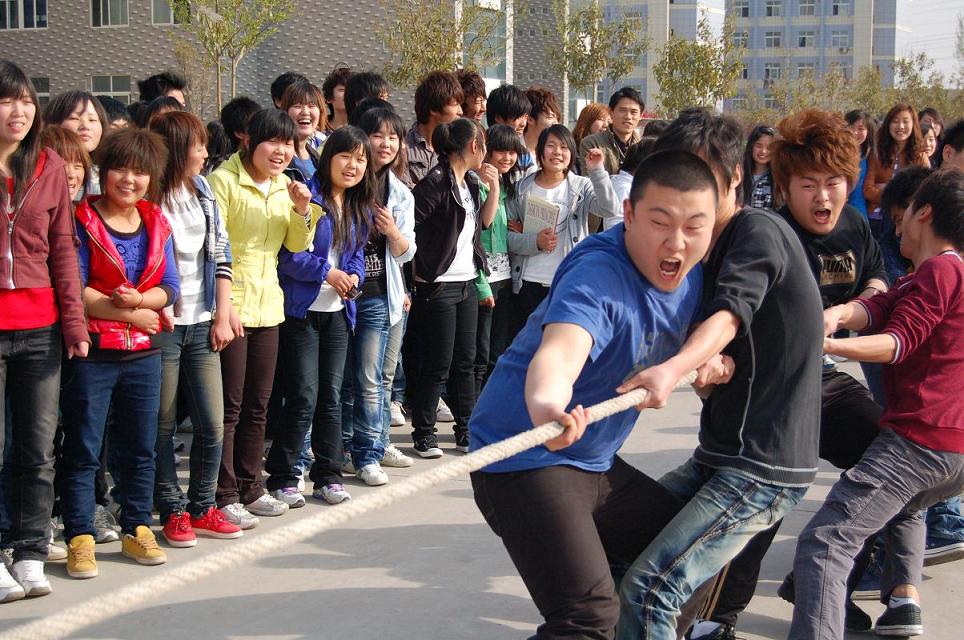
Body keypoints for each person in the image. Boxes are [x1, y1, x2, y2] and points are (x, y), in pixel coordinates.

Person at [470, 149, 720, 639]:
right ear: (628, 214)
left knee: (688, 561)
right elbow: (561, 353)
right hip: (524, 458)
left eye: (695, 227)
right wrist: (548, 406)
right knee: (587, 619)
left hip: (593, 462)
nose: (676, 243)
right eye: (660, 222)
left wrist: (704, 357)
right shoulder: (597, 276)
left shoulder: (696, 272)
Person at [615, 108, 824, 639]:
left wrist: (674, 368)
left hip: (762, 465)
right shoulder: (700, 245)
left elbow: (731, 313)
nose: (686, 196)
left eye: (700, 180)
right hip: (720, 453)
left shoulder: (757, 231)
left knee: (651, 589)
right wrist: (704, 371)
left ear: (734, 179)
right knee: (622, 543)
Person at [688, 108, 888, 640]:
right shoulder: (764, 234)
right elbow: (725, 309)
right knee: (760, 506)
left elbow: (878, 283)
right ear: (783, 187)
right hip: (766, 391)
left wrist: (843, 313)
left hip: (821, 379)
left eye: (834, 182)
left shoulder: (854, 227)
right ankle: (714, 620)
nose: (823, 197)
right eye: (808, 184)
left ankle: (820, 581)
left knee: (891, 464)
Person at [790, 167, 964, 639]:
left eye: (904, 211)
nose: (896, 222)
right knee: (899, 508)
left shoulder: (943, 269)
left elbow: (896, 341)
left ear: (923, 212)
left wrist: (825, 345)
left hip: (918, 443)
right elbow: (875, 309)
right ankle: (903, 604)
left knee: (825, 543)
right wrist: (834, 316)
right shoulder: (922, 276)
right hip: (946, 452)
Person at [61, 127, 179, 578]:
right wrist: (135, 313)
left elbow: (170, 287)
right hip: (93, 352)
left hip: (143, 354)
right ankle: (79, 536)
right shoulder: (81, 219)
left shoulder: (157, 221)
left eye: (140, 171)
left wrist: (142, 302)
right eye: (120, 169)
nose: (129, 179)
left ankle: (136, 527)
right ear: (104, 171)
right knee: (84, 448)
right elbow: (76, 287)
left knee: (141, 447)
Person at [0, 60, 90, 602]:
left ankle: (30, 549)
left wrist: (74, 322)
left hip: (40, 328)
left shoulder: (49, 164)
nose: (19, 111)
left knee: (35, 450)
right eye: (7, 100)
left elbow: (62, 248)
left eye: (26, 101)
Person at [208, 109, 320, 529]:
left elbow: (297, 244)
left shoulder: (284, 185)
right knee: (230, 407)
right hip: (230, 304)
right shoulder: (223, 181)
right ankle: (224, 493)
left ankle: (251, 486)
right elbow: (213, 249)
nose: (281, 151)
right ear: (248, 141)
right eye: (273, 141)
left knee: (259, 405)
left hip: (268, 304)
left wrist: (302, 210)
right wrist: (225, 308)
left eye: (288, 143)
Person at [148, 111, 244, 549]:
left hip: (202, 320)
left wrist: (222, 314)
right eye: (198, 145)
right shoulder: (149, 195)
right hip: (163, 323)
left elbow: (221, 253)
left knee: (212, 421)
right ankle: (172, 510)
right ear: (174, 148)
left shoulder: (202, 190)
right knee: (162, 423)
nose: (206, 153)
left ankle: (202, 505)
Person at [267, 126, 370, 505]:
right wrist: (328, 273)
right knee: (303, 396)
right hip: (302, 312)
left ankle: (328, 475)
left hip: (339, 313)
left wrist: (353, 275)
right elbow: (289, 257)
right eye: (345, 156)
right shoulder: (305, 195)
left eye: (360, 160)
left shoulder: (358, 205)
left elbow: (356, 254)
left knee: (331, 396)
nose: (352, 165)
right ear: (328, 159)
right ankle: (283, 476)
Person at [407, 118, 499, 458]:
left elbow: (485, 222)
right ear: (474, 146)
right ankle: (424, 433)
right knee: (438, 363)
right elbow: (410, 225)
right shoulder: (435, 182)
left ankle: (466, 429)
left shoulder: (469, 183)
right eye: (483, 145)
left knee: (466, 360)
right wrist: (421, 269)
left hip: (467, 281)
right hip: (438, 285)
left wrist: (494, 187)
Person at [338, 111, 417, 484]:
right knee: (347, 380)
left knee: (373, 378)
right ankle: (347, 448)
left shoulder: (400, 193)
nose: (386, 144)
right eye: (378, 135)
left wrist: (392, 232)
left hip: (379, 295)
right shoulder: (346, 182)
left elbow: (406, 252)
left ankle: (370, 451)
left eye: (393, 137)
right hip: (343, 294)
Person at [506, 124, 619, 327]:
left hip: (568, 281)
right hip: (527, 282)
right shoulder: (521, 188)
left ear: (572, 153)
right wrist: (535, 242)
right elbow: (507, 238)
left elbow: (609, 209)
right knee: (530, 341)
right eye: (551, 146)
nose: (557, 152)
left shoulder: (581, 186)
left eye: (564, 147)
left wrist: (597, 171)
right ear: (540, 152)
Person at [474, 124, 525, 394]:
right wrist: (492, 186)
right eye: (501, 151)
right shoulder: (476, 185)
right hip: (482, 277)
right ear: (487, 152)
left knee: (499, 347)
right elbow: (484, 224)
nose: (507, 158)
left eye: (512, 152)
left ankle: (495, 400)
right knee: (480, 351)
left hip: (505, 276)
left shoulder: (509, 189)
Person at [864, 103, 930, 233]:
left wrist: (887, 189)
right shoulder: (876, 153)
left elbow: (922, 192)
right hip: (876, 217)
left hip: (906, 219)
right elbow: (867, 190)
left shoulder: (920, 157)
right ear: (888, 124)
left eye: (905, 121)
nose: (900, 126)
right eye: (895, 121)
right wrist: (899, 194)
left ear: (913, 124)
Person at [404, 71, 464, 188]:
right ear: (434, 109)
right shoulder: (403, 149)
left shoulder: (457, 148)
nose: (460, 111)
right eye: (455, 104)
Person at [579, 87, 644, 175]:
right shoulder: (592, 143)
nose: (628, 117)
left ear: (641, 116)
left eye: (634, 112)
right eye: (622, 110)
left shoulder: (644, 146)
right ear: (611, 112)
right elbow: (590, 179)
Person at [279, 80, 327, 183]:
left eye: (311, 106)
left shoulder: (318, 159)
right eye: (297, 106)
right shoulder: (278, 156)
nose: (305, 112)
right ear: (285, 111)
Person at [521, 86, 561, 170]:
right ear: (530, 119)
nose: (556, 123)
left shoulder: (550, 153)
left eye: (557, 118)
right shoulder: (513, 152)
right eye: (550, 117)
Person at [845, 109, 876, 218]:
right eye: (851, 127)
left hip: (860, 212)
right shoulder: (836, 155)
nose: (854, 132)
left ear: (868, 132)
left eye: (861, 129)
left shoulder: (870, 155)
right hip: (840, 210)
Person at [741, 125, 775, 209]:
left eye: (769, 147)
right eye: (759, 146)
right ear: (751, 146)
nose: (763, 151)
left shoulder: (778, 179)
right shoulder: (739, 175)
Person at [322, 66, 352, 133]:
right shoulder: (318, 130)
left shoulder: (365, 129)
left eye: (351, 90)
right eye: (342, 90)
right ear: (329, 98)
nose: (348, 93)